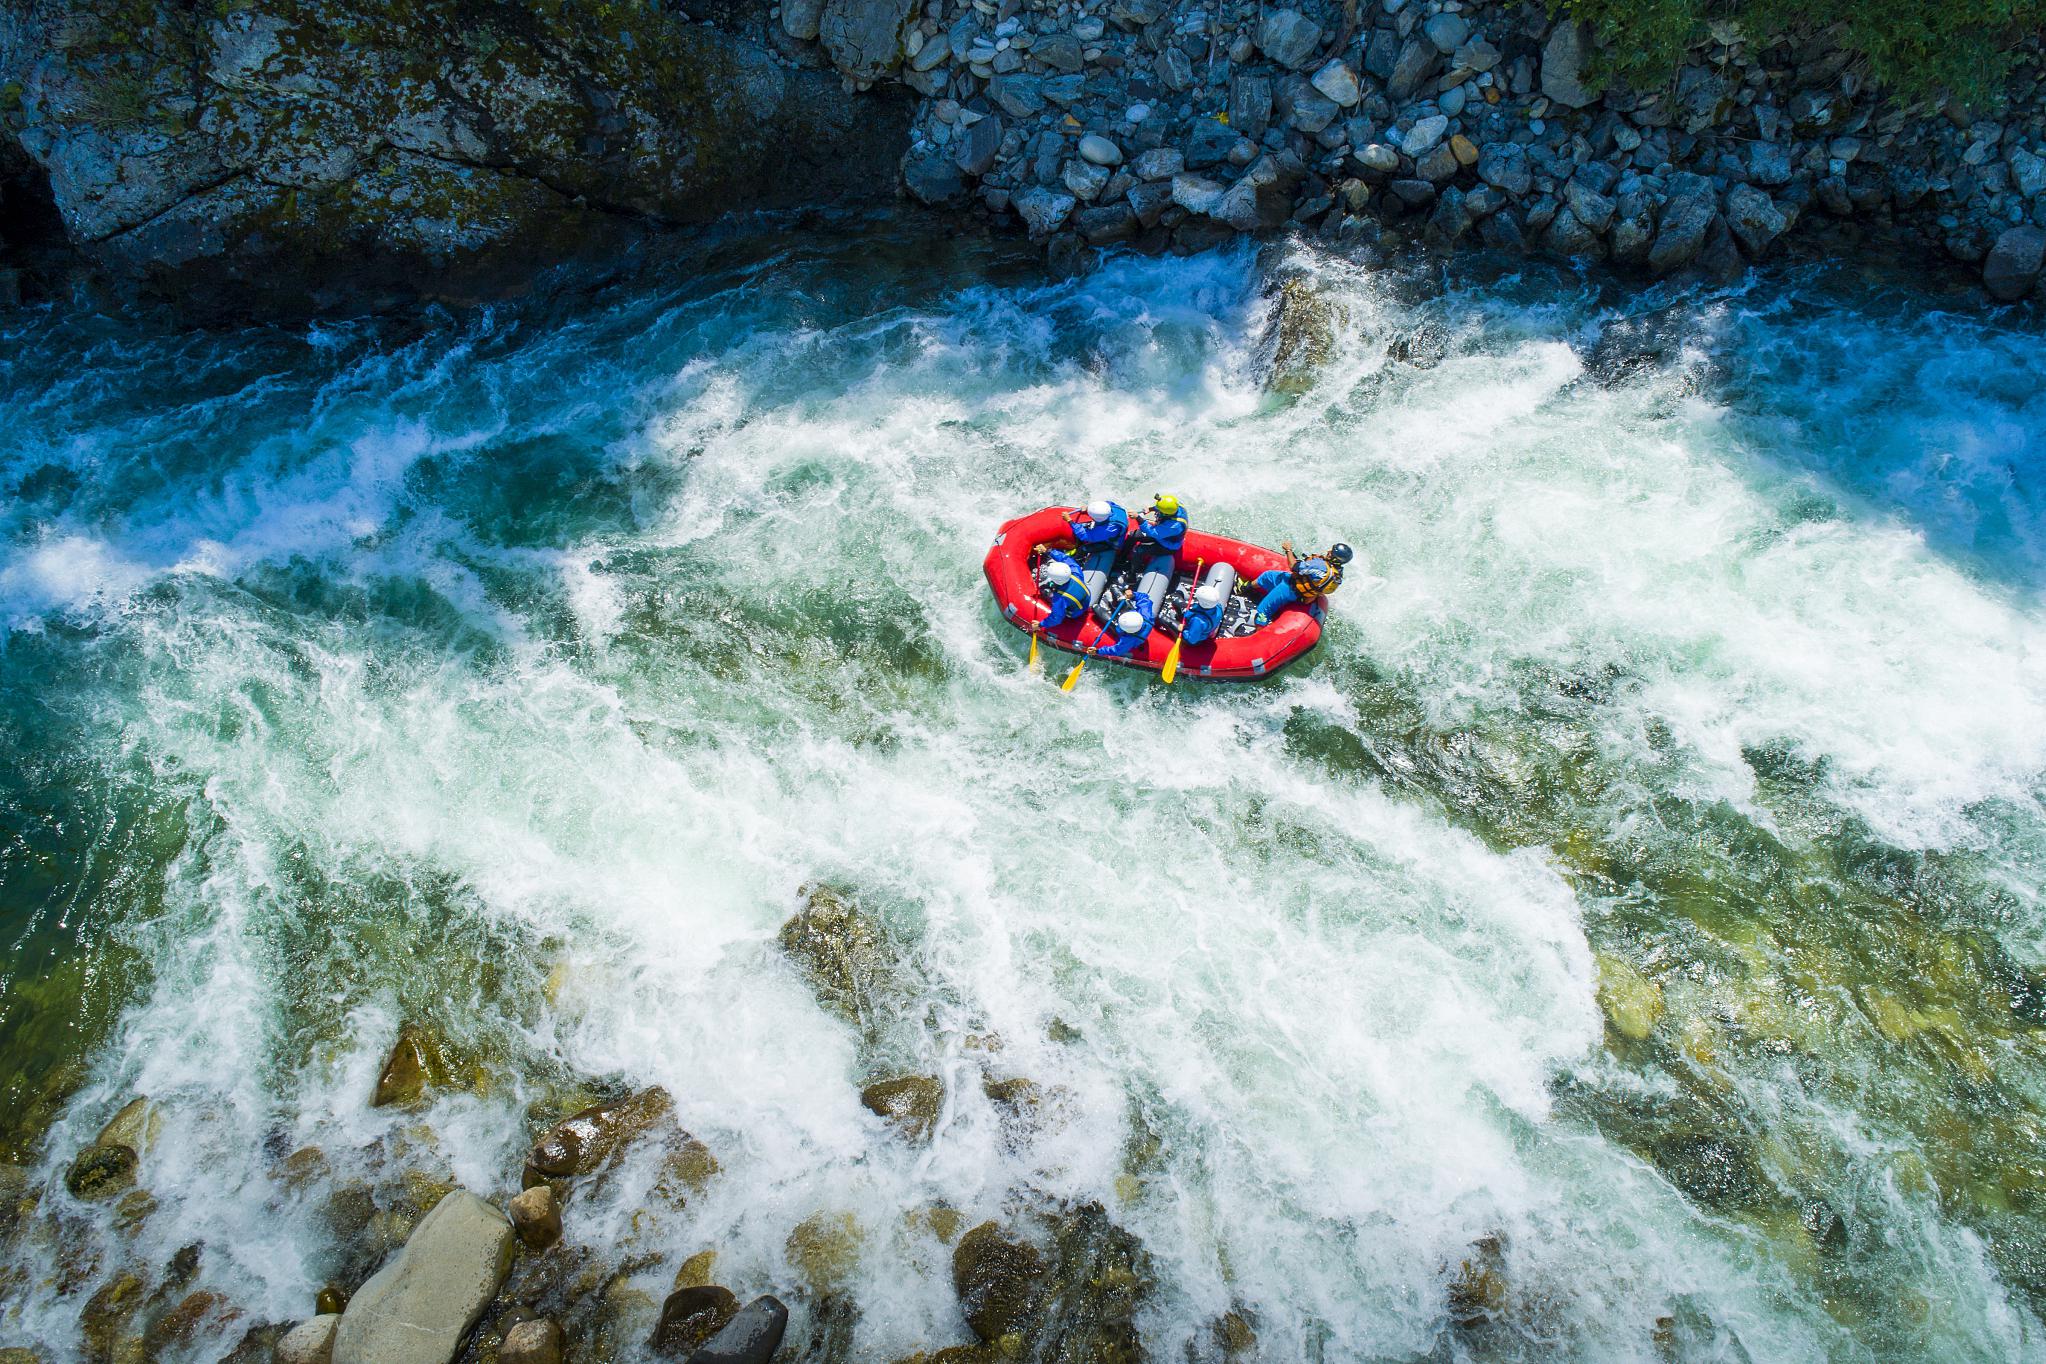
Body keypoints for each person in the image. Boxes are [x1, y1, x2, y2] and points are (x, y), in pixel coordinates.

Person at [1249, 541, 1353, 625]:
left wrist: (1288, 550)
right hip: (1300, 590)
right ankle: (1245, 588)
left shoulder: (1319, 566)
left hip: (1289, 589)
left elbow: (1294, 567)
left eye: (1331, 552)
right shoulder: (1337, 572)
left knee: (1262, 611)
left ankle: (1258, 634)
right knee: (1268, 576)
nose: (1328, 551)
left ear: (1335, 558)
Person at [1034, 550, 1093, 630]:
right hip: (1085, 600)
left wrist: (1041, 624)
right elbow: (1066, 559)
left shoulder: (1059, 598)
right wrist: (1048, 551)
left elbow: (1056, 618)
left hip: (1076, 612)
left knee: (1045, 591)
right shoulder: (1076, 573)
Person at [1091, 594, 1155, 659]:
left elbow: (1116, 651)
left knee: (1096, 608)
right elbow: (1144, 598)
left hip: (1128, 630)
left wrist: (1098, 651)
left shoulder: (1130, 639)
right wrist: (1133, 595)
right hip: (1132, 619)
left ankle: (1097, 606)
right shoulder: (1146, 614)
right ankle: (1114, 600)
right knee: (1118, 593)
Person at [1126, 493, 1188, 559]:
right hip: (1161, 534)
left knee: (1138, 550)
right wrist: (1150, 509)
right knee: (1132, 536)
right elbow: (1162, 507)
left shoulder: (1175, 526)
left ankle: (1135, 569)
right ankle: (1121, 559)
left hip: (1167, 545)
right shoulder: (1175, 506)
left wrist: (1137, 517)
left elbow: (1152, 532)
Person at [1177, 581, 1225, 645]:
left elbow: (1192, 640)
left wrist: (1183, 630)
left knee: (1164, 620)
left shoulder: (1198, 621)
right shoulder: (1218, 606)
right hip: (1207, 626)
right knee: (1178, 604)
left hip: (1196, 639)